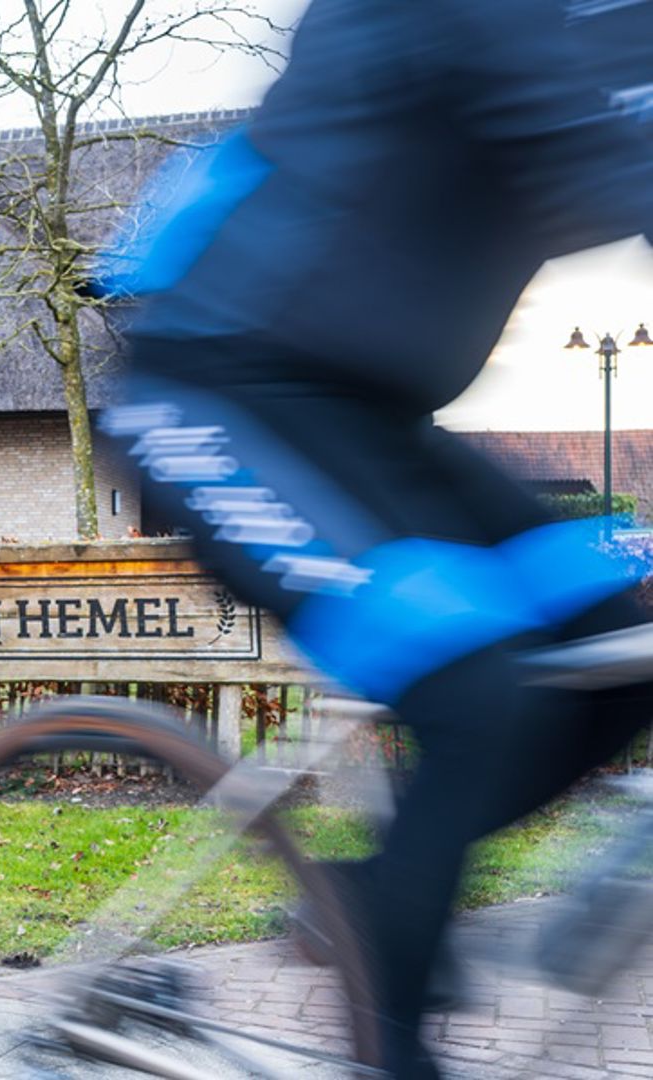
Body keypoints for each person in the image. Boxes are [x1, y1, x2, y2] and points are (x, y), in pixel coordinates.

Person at [92, 1, 653, 1075]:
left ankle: (367, 893)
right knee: (482, 688)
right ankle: (385, 1039)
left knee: (614, 654)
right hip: (212, 395)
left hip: (377, 424)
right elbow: (608, 159)